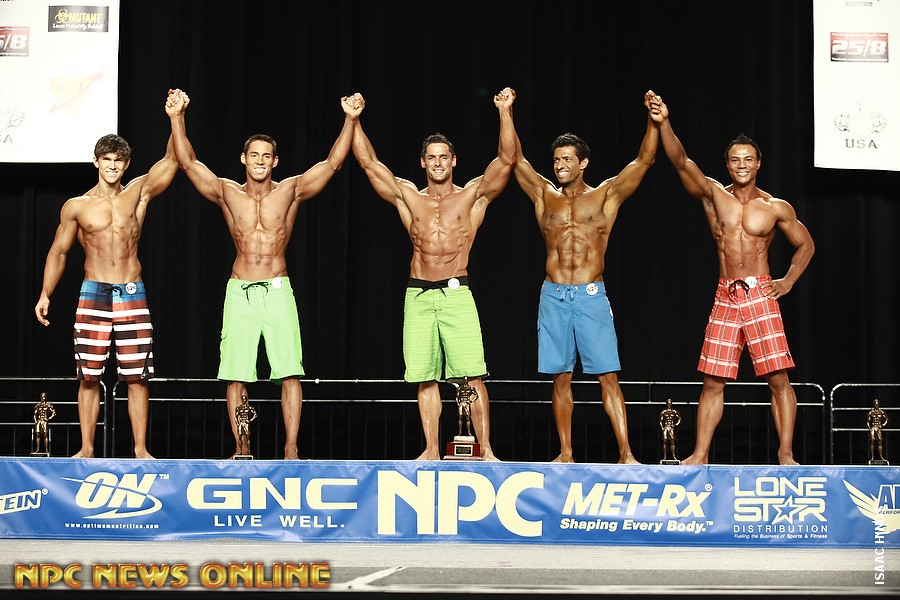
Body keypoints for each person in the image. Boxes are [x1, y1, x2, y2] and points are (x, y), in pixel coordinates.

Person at [166, 88, 363, 460]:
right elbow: (188, 163)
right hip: (240, 290)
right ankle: (242, 448)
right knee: (236, 373)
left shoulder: (291, 190)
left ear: (275, 161)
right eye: (254, 155)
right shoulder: (227, 192)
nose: (260, 161)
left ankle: (291, 450)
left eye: (266, 156)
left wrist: (350, 120)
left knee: (289, 371)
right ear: (243, 159)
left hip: (276, 289)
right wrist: (177, 117)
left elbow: (333, 164)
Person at [351, 88, 517, 461]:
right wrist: (354, 119)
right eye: (432, 157)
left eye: (444, 157)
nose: (438, 163)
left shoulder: (472, 195)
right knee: (424, 376)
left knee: (472, 374)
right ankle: (429, 449)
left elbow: (507, 160)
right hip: (419, 293)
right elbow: (369, 163)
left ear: (453, 161)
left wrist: (505, 112)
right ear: (423, 163)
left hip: (457, 292)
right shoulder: (409, 196)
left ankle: (487, 450)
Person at [656, 95, 815, 466]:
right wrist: (664, 123)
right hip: (726, 295)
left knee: (778, 379)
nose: (741, 165)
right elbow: (680, 161)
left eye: (748, 159)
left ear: (758, 163)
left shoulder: (775, 206)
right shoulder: (714, 196)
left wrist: (788, 281)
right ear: (727, 165)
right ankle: (700, 454)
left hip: (760, 293)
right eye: (735, 160)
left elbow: (806, 244)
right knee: (713, 380)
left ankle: (786, 454)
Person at [511, 90, 662, 464]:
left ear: (583, 163)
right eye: (556, 159)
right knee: (560, 378)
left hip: (591, 295)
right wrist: (505, 112)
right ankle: (565, 453)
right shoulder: (545, 196)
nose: (559, 164)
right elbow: (514, 159)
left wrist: (653, 119)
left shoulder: (605, 196)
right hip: (554, 295)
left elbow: (645, 160)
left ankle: (626, 454)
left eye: (567, 159)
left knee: (608, 376)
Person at [34, 124, 179, 459]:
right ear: (96, 161)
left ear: (126, 164)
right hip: (93, 292)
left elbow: (173, 160)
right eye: (107, 159)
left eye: (118, 160)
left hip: (131, 290)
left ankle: (140, 450)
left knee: (137, 376)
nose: (112, 165)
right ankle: (86, 449)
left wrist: (175, 117)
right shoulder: (77, 206)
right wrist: (45, 293)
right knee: (88, 375)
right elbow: (59, 252)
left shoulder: (138, 192)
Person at [867, 399, 888, 463]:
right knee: (872, 442)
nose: (876, 405)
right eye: (875, 404)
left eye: (877, 404)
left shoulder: (881, 412)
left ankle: (881, 456)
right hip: (873, 427)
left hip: (879, 427)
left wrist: (883, 425)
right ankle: (872, 457)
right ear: (874, 404)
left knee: (880, 442)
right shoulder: (871, 412)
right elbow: (868, 422)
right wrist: (870, 428)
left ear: (878, 404)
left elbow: (886, 419)